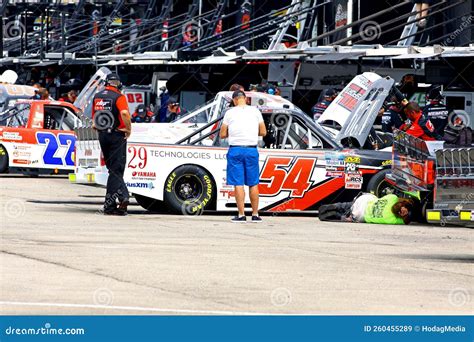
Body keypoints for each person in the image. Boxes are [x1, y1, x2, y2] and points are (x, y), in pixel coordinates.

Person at [220, 90, 267, 223]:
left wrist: (235, 132)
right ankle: (255, 214)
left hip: (235, 150)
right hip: (251, 150)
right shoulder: (256, 111)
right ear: (245, 99)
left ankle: (241, 215)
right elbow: (263, 132)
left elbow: (222, 134)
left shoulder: (229, 113)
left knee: (238, 183)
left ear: (234, 100)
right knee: (253, 183)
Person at [92, 73, 132, 216]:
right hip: (116, 135)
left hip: (102, 135)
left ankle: (123, 197)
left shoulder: (97, 96)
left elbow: (94, 121)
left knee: (113, 170)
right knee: (117, 170)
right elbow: (125, 114)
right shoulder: (119, 97)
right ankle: (110, 207)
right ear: (118, 84)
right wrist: (128, 129)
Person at [319, 193, 414, 225]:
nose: (405, 212)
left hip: (364, 200)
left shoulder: (392, 197)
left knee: (349, 205)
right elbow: (406, 221)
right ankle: (336, 216)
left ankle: (336, 206)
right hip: (360, 215)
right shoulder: (394, 220)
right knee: (348, 216)